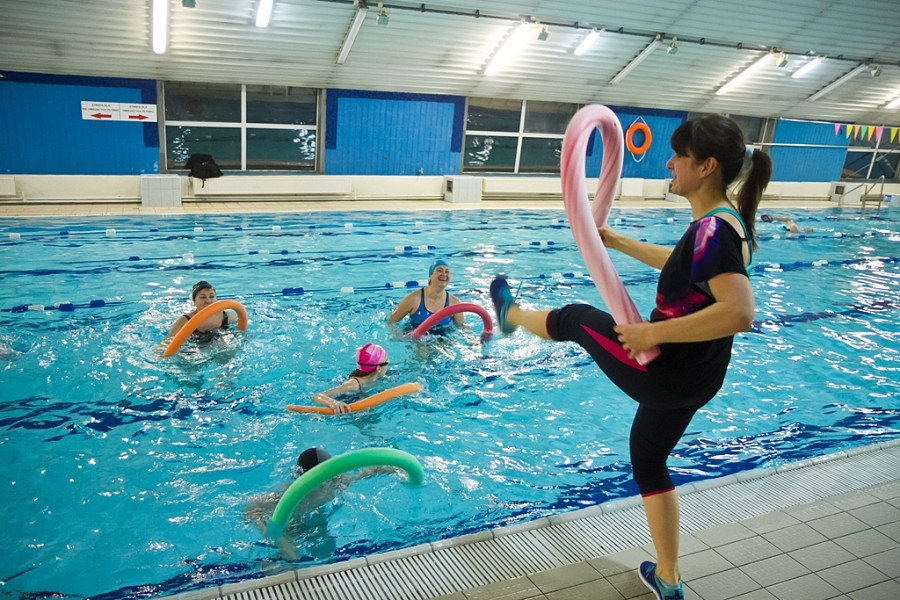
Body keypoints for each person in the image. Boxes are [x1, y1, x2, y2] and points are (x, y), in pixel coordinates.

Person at [489, 115, 771, 600]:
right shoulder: (722, 222)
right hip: (699, 377)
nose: (669, 162)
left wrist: (650, 331)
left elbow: (740, 312)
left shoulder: (713, 231)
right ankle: (667, 577)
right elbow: (684, 265)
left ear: (704, 166)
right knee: (648, 458)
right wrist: (616, 241)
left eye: (678, 155)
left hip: (665, 371)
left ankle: (512, 315)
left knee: (576, 318)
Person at [244, 447, 399, 560]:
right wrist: (278, 539)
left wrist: (396, 468)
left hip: (318, 524)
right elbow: (250, 510)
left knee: (327, 554)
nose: (327, 481)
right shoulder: (287, 494)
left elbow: (369, 471)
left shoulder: (336, 481)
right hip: (292, 528)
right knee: (290, 559)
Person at [388, 259, 464, 331]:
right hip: (415, 337)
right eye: (439, 270)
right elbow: (391, 322)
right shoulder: (414, 299)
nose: (444, 274)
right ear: (430, 276)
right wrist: (398, 336)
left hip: (442, 337)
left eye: (447, 272)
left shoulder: (454, 302)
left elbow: (462, 328)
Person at [312, 343, 390, 414]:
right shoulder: (353, 384)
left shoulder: (379, 378)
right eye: (387, 361)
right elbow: (317, 396)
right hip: (347, 401)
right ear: (378, 368)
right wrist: (333, 403)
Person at [166, 280, 237, 342]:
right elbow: (168, 343)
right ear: (194, 302)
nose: (208, 301)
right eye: (203, 297)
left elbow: (241, 333)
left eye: (211, 296)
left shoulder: (227, 316)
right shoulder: (186, 321)